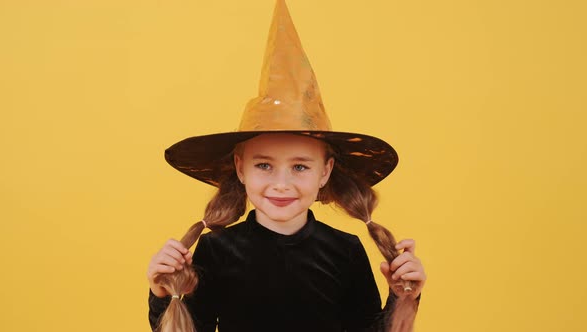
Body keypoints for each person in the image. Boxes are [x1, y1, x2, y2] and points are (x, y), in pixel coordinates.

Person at [147, 1, 426, 331]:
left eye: (300, 167)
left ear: (325, 172)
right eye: (264, 165)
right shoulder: (216, 250)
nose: (282, 184)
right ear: (240, 169)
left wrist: (402, 296)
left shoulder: (345, 250)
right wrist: (162, 292)